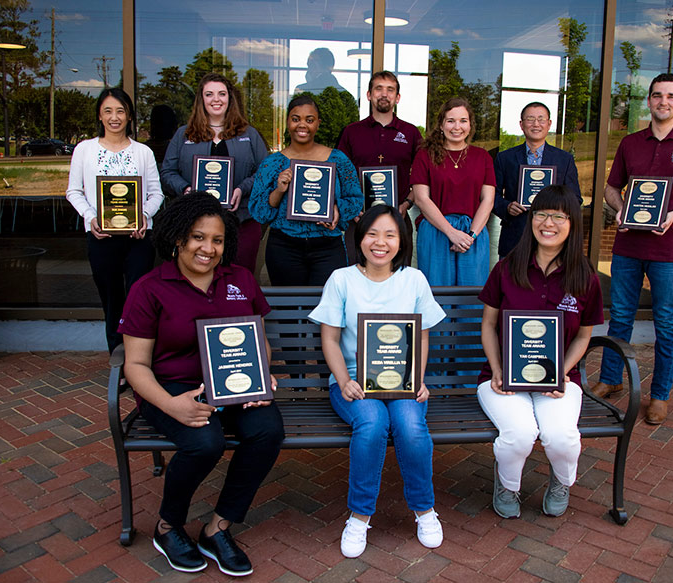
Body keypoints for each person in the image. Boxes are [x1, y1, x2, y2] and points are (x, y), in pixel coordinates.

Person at [119, 192, 284, 577]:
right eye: (197, 237)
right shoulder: (149, 288)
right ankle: (168, 526)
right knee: (204, 442)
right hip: (173, 389)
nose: (207, 248)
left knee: (267, 431)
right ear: (178, 238)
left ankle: (217, 527)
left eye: (217, 239)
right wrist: (171, 404)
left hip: (236, 385)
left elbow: (258, 339)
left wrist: (262, 373)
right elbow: (136, 364)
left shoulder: (240, 279)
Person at [308, 205, 446, 558]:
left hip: (403, 382)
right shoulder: (341, 279)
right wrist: (342, 381)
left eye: (390, 235)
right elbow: (330, 339)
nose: (380, 243)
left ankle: (424, 509)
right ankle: (359, 515)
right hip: (354, 382)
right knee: (372, 423)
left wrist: (419, 379)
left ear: (402, 242)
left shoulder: (414, 279)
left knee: (410, 425)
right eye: (372, 234)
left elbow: (424, 337)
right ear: (360, 237)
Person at [592, 73, 673, 425]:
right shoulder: (631, 144)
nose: (663, 101)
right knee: (620, 317)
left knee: (666, 322)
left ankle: (660, 394)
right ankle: (609, 379)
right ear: (648, 101)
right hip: (628, 246)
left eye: (671, 96)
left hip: (670, 249)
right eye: (657, 96)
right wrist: (619, 208)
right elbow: (611, 188)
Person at [477, 185, 603, 519]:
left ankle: (561, 482)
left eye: (559, 216)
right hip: (501, 379)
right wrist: (498, 368)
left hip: (560, 378)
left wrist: (562, 370)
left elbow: (583, 336)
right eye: (541, 214)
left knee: (561, 438)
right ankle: (508, 485)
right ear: (531, 219)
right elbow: (488, 326)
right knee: (519, 435)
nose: (548, 223)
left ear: (572, 223)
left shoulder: (586, 277)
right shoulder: (506, 268)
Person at [66, 87, 164, 353]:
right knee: (112, 299)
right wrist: (91, 216)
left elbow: (156, 193)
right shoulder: (84, 150)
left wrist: (144, 215)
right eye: (108, 110)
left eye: (120, 111)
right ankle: (117, 357)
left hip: (138, 239)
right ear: (99, 114)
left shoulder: (143, 152)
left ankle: (139, 359)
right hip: (101, 237)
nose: (114, 117)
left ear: (129, 116)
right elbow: (73, 191)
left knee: (138, 299)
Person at [161, 73, 269, 274]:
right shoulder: (184, 134)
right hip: (194, 224)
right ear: (201, 99)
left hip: (241, 222)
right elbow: (167, 173)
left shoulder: (249, 134)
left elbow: (265, 172)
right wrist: (186, 189)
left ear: (230, 98)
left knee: (238, 283)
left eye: (222, 94)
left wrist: (242, 189)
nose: (216, 99)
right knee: (198, 281)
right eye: (209, 94)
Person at [248, 95, 363, 286]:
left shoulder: (338, 160)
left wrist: (337, 208)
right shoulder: (273, 163)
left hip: (327, 246)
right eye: (296, 119)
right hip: (284, 246)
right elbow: (260, 211)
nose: (302, 125)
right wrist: (279, 190)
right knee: (290, 309)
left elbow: (355, 198)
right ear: (287, 122)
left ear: (318, 123)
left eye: (309, 120)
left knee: (327, 308)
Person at [411, 97, 495, 286]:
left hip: (473, 232)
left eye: (463, 121)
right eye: (450, 121)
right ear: (441, 125)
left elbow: (488, 200)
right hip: (436, 231)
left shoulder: (482, 157)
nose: (457, 126)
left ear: (470, 125)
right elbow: (421, 198)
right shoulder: (425, 155)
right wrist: (451, 232)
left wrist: (470, 235)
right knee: (437, 296)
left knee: (472, 295)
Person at [337, 71, 422, 260]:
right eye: (378, 89)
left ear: (397, 97)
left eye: (390, 90)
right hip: (359, 220)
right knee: (357, 277)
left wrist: (407, 204)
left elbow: (423, 177)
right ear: (369, 95)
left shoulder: (411, 133)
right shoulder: (352, 132)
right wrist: (352, 208)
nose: (384, 94)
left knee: (398, 279)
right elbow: (339, 175)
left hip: (398, 219)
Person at [493, 102, 582, 258]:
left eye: (541, 119)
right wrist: (507, 207)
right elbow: (492, 196)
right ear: (521, 124)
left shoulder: (564, 159)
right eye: (530, 119)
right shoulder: (504, 158)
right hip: (515, 237)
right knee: (511, 281)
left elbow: (575, 198)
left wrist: (554, 209)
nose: (536, 124)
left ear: (549, 124)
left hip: (552, 236)